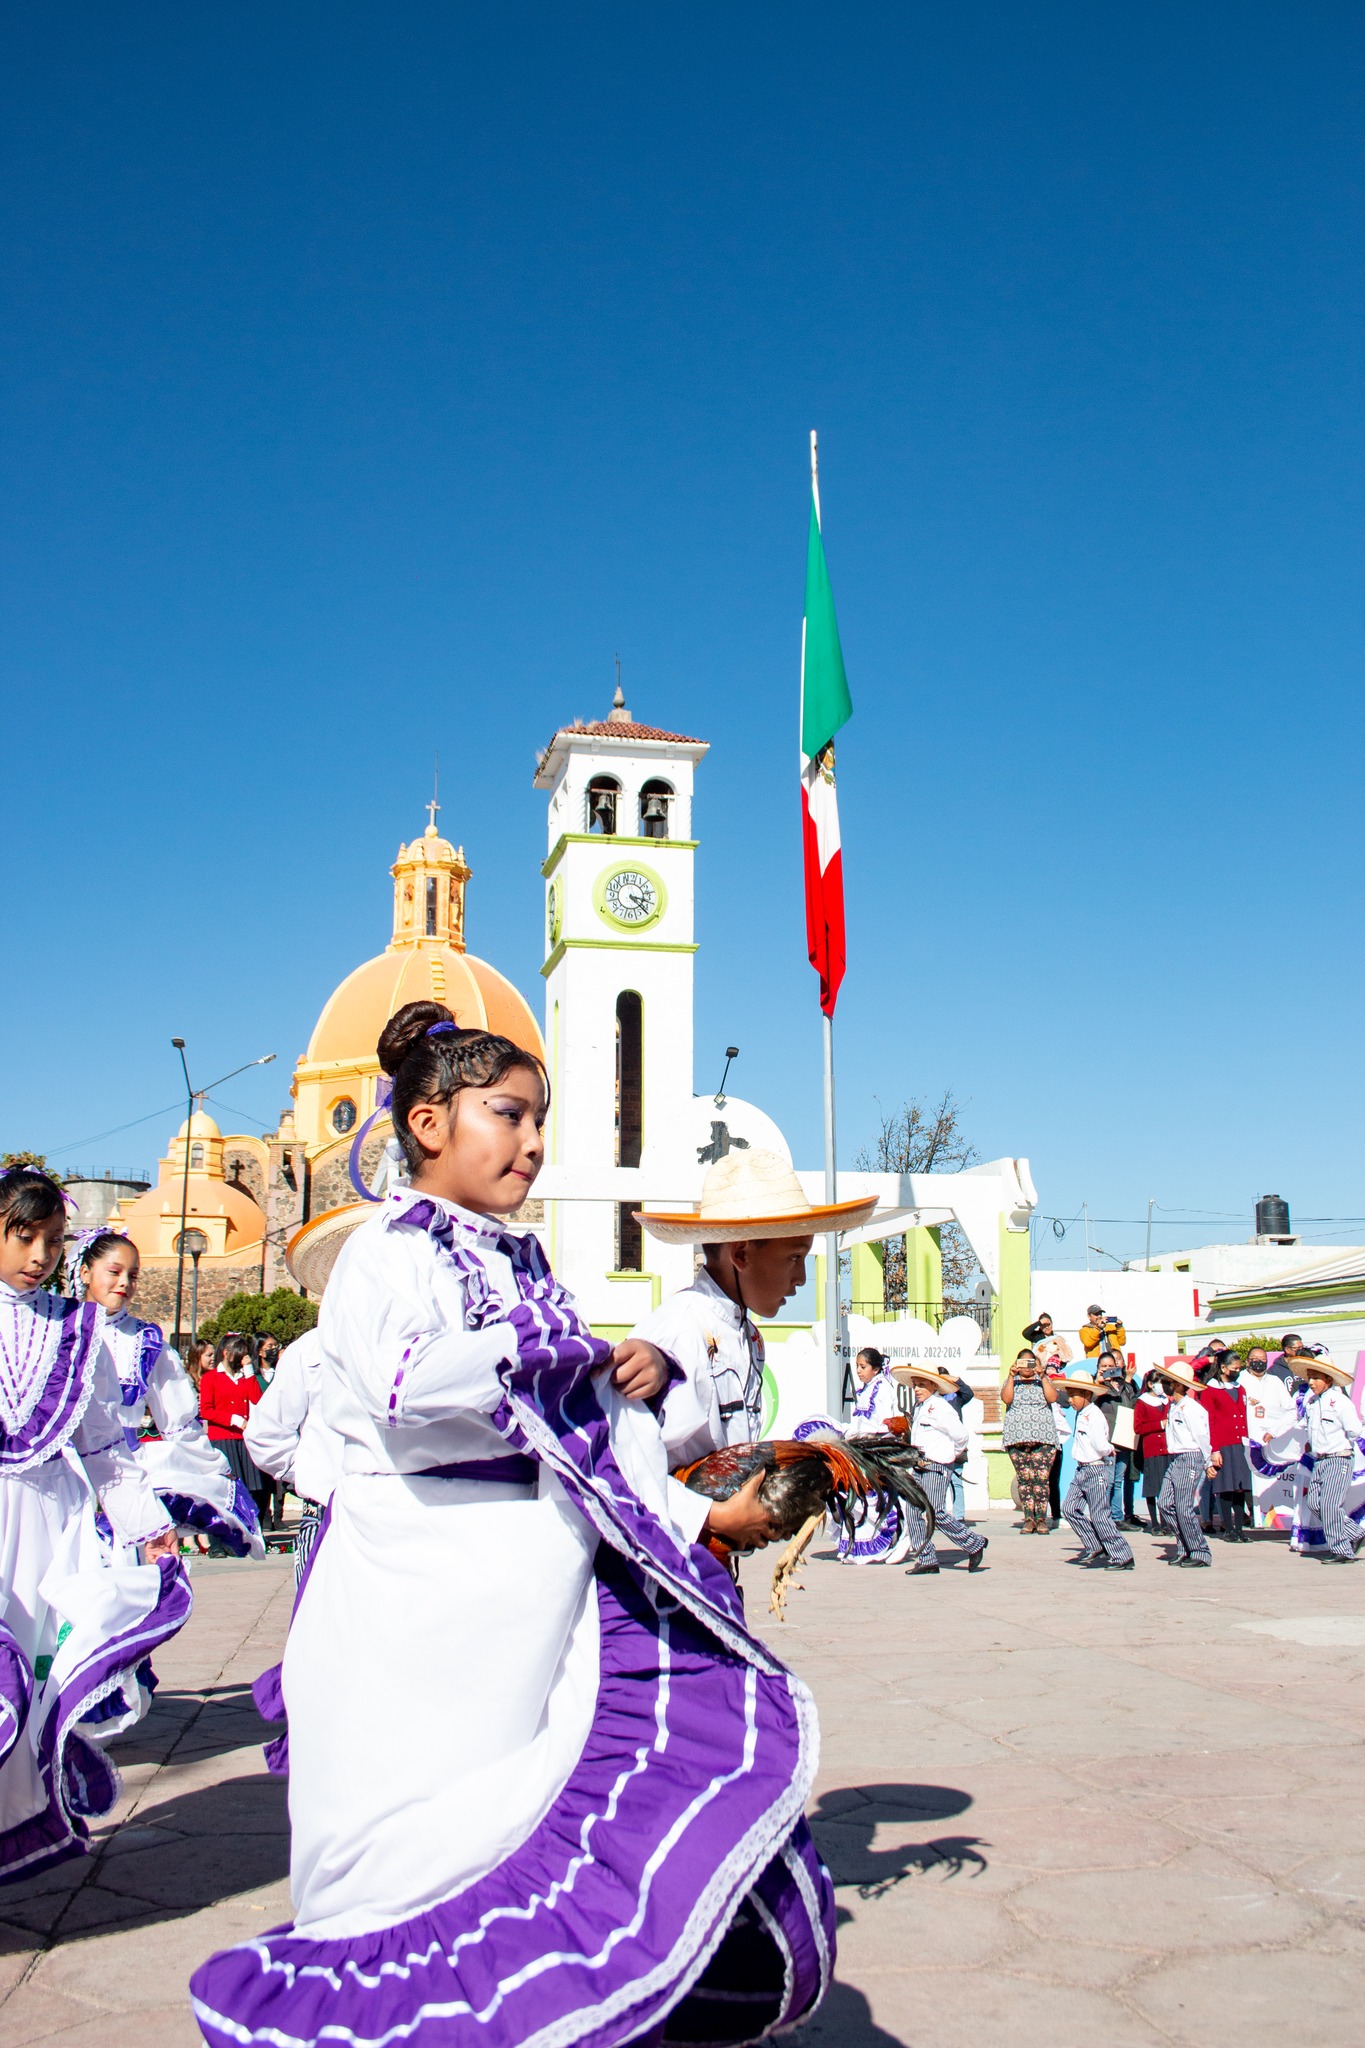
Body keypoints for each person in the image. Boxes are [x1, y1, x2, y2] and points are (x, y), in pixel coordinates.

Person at [192, 1003, 833, 2048]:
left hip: (525, 1598)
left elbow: (583, 1440)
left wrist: (666, 1464)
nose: (535, 1141)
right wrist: (555, 1353)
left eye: (541, 1118)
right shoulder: (385, 1253)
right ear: (430, 1120)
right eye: (511, 1113)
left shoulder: (525, 1264)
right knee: (401, 1861)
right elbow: (405, 1383)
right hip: (413, 1604)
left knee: (521, 1845)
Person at [0, 1167, 188, 1884]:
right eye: (23, 1237)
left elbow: (105, 1448)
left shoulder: (77, 1333)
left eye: (51, 1241)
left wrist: (149, 1525)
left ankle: (26, 1817)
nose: (39, 1255)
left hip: (52, 1526)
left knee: (41, 1673)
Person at [630, 1147, 878, 1555]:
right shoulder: (679, 1331)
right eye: (795, 1257)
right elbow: (618, 1464)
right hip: (664, 1566)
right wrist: (713, 1518)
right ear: (741, 1254)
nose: (800, 1278)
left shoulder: (744, 1335)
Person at [70, 1232, 263, 1560]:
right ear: (85, 1272)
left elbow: (179, 1423)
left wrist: (217, 1467)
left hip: (123, 1475)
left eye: (132, 1276)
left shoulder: (145, 1343)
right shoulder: (58, 1330)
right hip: (62, 1475)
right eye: (114, 1272)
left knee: (121, 1577)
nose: (124, 1284)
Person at [244, 1327, 342, 1585]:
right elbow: (265, 1434)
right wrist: (313, 1473)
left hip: (401, 1517)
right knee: (320, 1618)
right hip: (327, 1510)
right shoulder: (310, 1349)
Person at [898, 1366, 988, 1576]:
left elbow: (961, 1436)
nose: (917, 1389)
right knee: (912, 1511)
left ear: (933, 1386)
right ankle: (926, 1559)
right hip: (919, 1466)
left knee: (935, 1512)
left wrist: (947, 1456)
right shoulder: (920, 1407)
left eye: (922, 1385)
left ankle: (973, 1543)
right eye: (915, 1385)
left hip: (936, 1466)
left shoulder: (940, 1407)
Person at [1058, 1378, 1135, 1569]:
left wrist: (1108, 1449)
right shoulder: (1082, 1414)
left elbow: (1101, 1445)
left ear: (1086, 1394)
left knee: (1100, 1515)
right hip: (1082, 1469)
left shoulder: (1095, 1416)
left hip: (1095, 1468)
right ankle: (1094, 1544)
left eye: (1073, 1395)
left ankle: (1122, 1554)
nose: (1070, 1400)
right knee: (1069, 1508)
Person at [199, 1335, 269, 1533]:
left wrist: (248, 1372)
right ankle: (220, 1536)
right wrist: (234, 1419)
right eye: (239, 1354)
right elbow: (206, 1410)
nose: (242, 1358)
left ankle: (249, 1530)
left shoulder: (243, 1377)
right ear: (226, 1353)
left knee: (251, 1487)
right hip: (222, 1438)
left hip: (242, 1439)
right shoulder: (210, 1378)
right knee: (224, 1488)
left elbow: (256, 1398)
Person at [1156, 1360, 1217, 1567]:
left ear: (1179, 1384)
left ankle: (1200, 1551)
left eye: (1168, 1381)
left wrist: (1208, 1461)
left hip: (1190, 1456)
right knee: (1164, 1503)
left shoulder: (1192, 1408)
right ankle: (1185, 1545)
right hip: (1176, 1458)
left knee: (1183, 1507)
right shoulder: (1174, 1406)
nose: (1164, 1384)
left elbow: (1202, 1436)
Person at [1302, 1357, 1362, 1563]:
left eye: (1316, 1378)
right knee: (1313, 1504)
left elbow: (1354, 1430)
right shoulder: (1311, 1402)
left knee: (1329, 1505)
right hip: (1319, 1460)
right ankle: (1355, 1532)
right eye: (1310, 1378)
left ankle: (1341, 1550)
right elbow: (1309, 1428)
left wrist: (1339, 1444)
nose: (1311, 1382)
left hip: (1338, 1459)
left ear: (1328, 1379)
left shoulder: (1341, 1402)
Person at [1000, 1347, 1061, 1533]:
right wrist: (1011, 1376)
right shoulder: (1012, 1381)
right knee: (1024, 1479)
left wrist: (1043, 1376)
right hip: (1017, 1438)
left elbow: (1052, 1398)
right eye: (1022, 1363)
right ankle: (1028, 1519)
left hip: (1043, 1439)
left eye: (1030, 1362)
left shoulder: (1042, 1380)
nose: (1027, 1367)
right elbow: (1006, 1398)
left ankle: (1041, 1519)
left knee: (1041, 1479)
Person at [1198, 1353, 1252, 1542]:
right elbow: (1208, 1421)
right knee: (1226, 1487)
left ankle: (1239, 1528)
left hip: (1240, 1444)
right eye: (1233, 1369)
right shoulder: (1210, 1389)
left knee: (1240, 1488)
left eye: (1239, 1369)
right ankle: (1228, 1527)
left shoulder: (1241, 1388)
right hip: (1223, 1444)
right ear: (1223, 1368)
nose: (1237, 1372)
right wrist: (1215, 1449)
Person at [1133, 1372, 1170, 1532]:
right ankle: (1154, 1521)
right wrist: (1159, 1424)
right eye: (1159, 1383)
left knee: (1166, 1487)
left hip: (1167, 1449)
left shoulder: (1167, 1401)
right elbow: (1138, 1427)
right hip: (1151, 1449)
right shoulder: (1142, 1402)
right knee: (1152, 1487)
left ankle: (1166, 1521)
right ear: (1150, 1384)